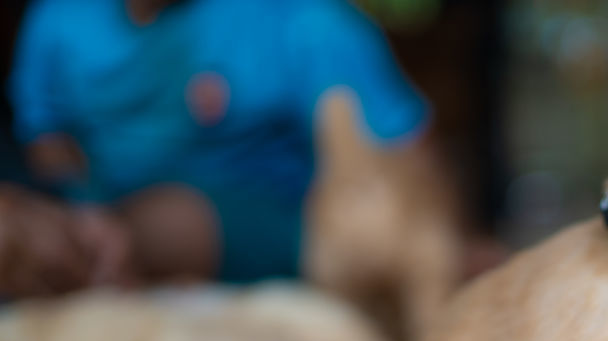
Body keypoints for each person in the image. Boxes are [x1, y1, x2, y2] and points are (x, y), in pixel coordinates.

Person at [3, 0, 429, 292]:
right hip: (96, 207)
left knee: (171, 216)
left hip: (265, 215)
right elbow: (46, 132)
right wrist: (84, 206)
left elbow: (404, 158)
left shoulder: (302, 20)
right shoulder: (59, 17)